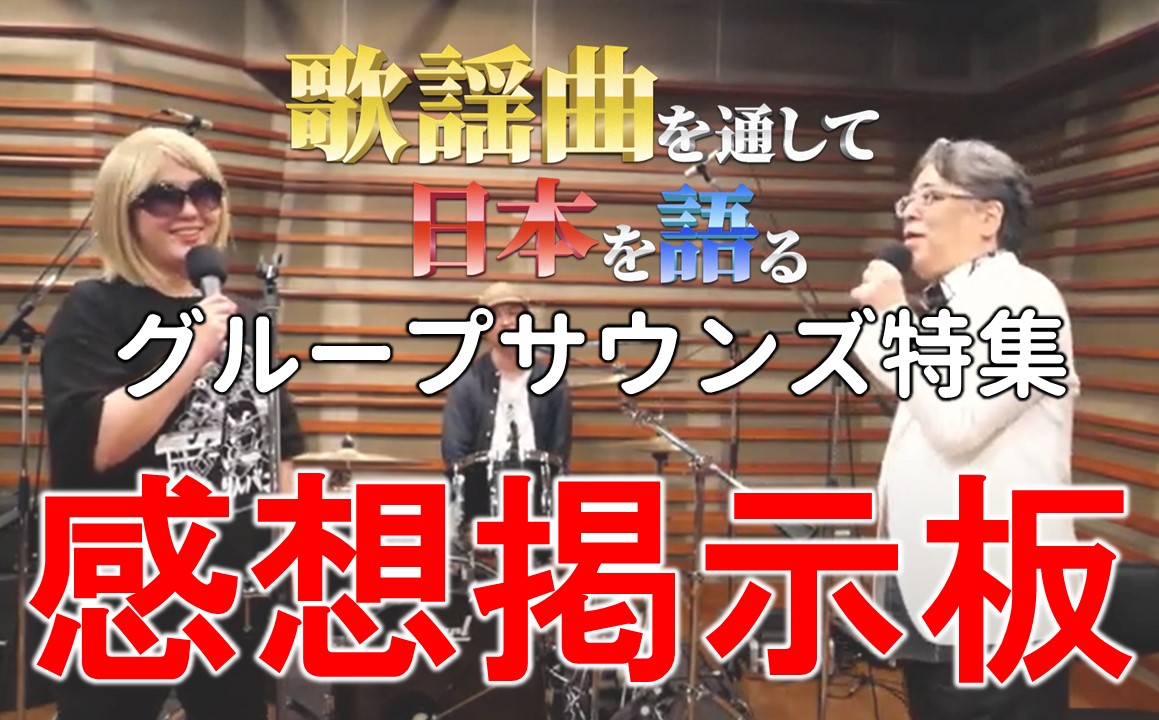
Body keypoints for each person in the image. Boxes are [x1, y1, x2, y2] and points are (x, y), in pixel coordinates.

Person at [39, 126, 305, 720]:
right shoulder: (93, 309)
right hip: (127, 588)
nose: (191, 211)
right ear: (124, 210)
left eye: (206, 193)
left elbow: (278, 449)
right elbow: (97, 445)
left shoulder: (244, 319)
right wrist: (193, 351)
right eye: (164, 196)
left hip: (229, 589)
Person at [850, 138, 1079, 719]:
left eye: (931, 196)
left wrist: (890, 317)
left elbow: (959, 423)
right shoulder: (952, 307)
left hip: (997, 608)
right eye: (908, 199)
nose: (911, 212)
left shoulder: (1026, 299)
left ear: (988, 217)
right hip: (938, 590)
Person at [440, 282, 572, 526]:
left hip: (537, 496)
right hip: (480, 498)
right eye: (496, 316)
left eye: (513, 313)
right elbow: (454, 454)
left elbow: (559, 453)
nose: (506, 322)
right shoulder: (466, 384)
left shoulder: (552, 381)